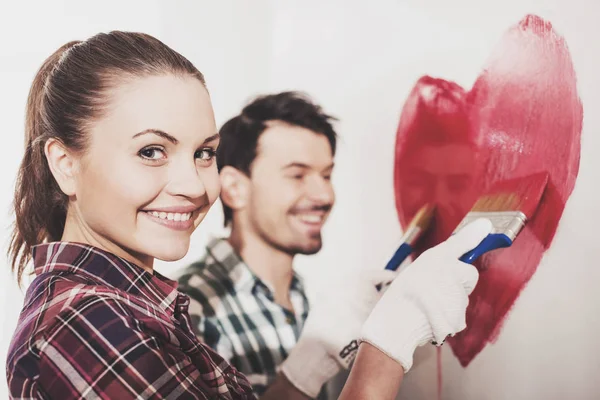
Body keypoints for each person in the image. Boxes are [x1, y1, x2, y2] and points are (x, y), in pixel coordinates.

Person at [5, 30, 492, 400]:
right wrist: (387, 345)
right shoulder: (84, 321)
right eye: (151, 151)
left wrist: (306, 365)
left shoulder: (135, 307)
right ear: (65, 165)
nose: (195, 186)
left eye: (203, 153)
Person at [177, 91, 337, 397]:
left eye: (327, 175)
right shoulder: (192, 308)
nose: (324, 196)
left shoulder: (301, 295)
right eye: (298, 175)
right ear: (235, 188)